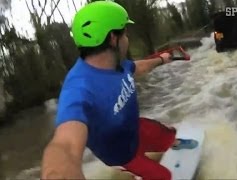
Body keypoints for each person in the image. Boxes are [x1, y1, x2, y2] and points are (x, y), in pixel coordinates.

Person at [40, 1, 197, 180]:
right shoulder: (78, 90)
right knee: (163, 176)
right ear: (114, 38)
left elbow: (136, 67)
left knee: (169, 135)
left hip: (135, 129)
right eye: (125, 34)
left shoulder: (116, 64)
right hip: (121, 154)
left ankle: (173, 143)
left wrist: (161, 60)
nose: (127, 40)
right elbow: (65, 145)